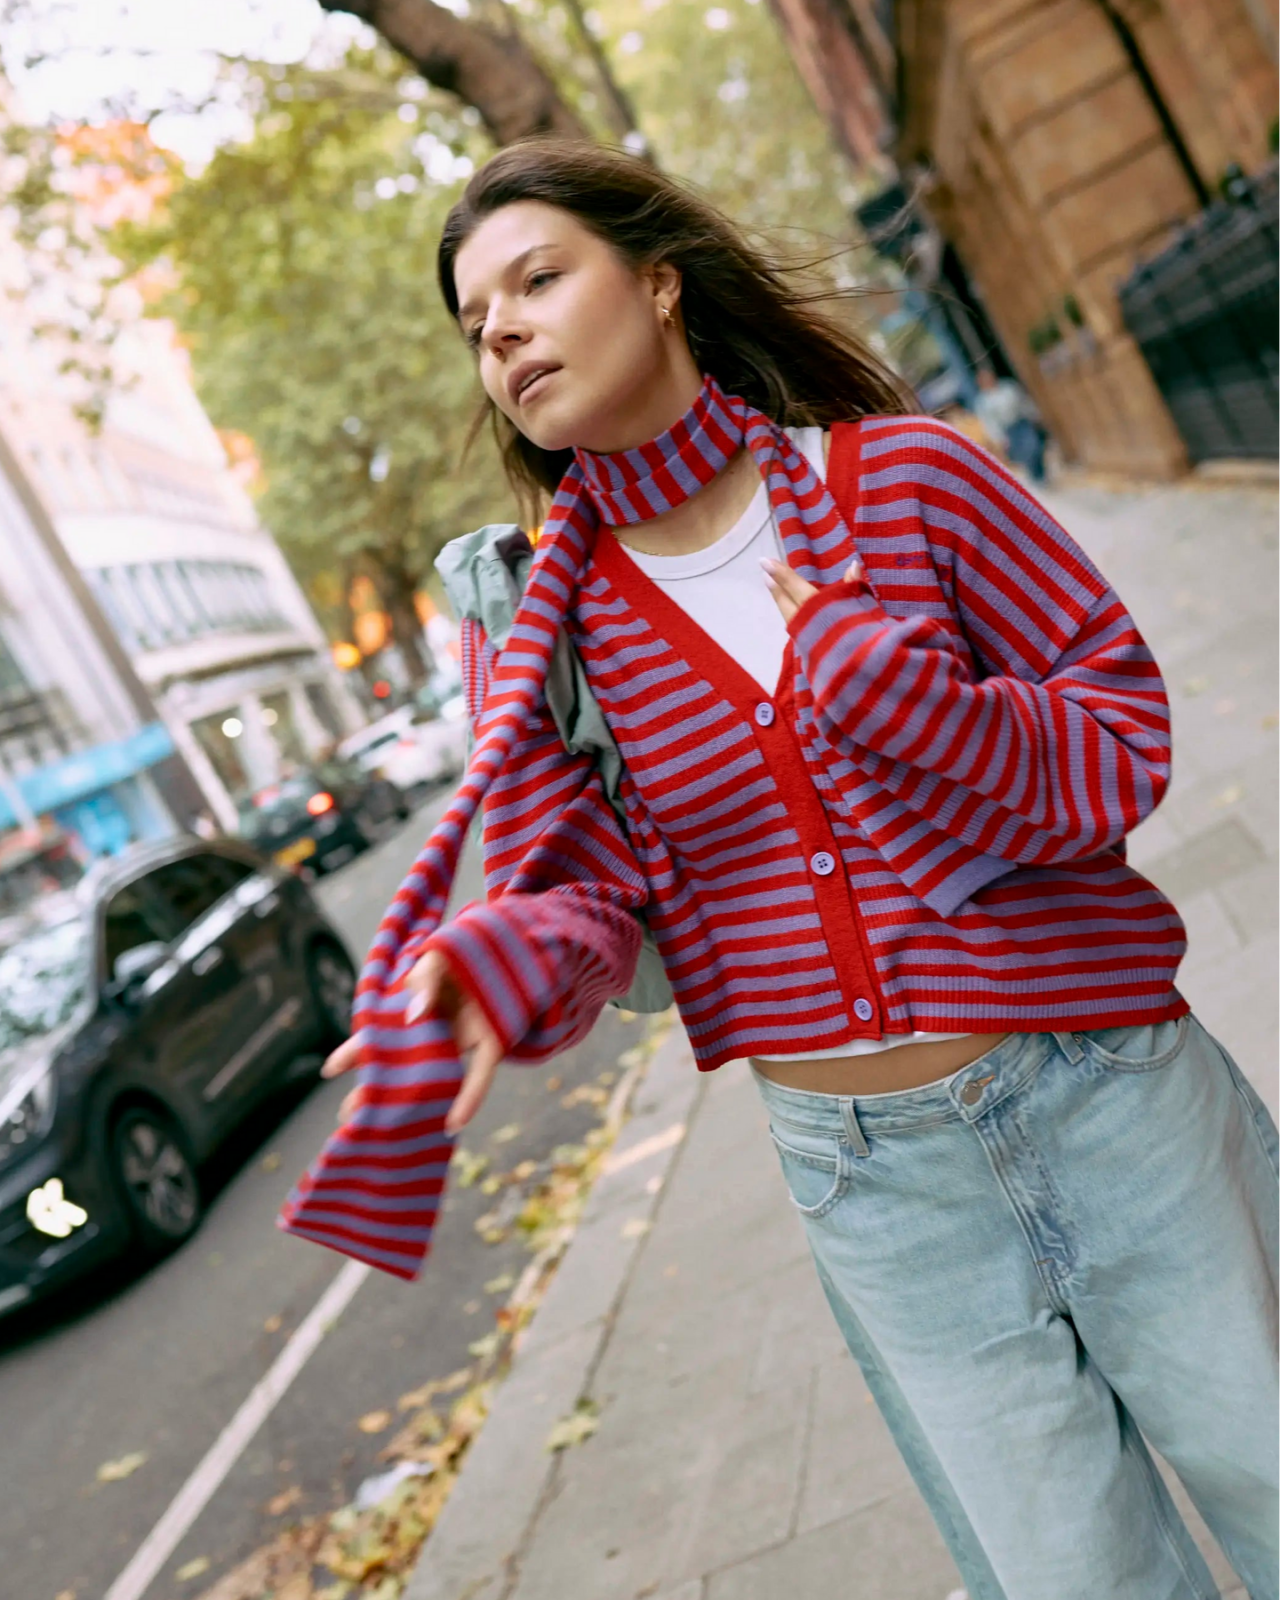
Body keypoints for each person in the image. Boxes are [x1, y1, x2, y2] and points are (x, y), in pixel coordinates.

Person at [286, 143, 1280, 1598]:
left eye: (536, 278)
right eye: (472, 322)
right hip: (872, 1189)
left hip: (1113, 1091)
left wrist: (898, 697)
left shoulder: (908, 485)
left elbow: (1117, 744)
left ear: (661, 281)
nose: (497, 331)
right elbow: (580, 896)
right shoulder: (547, 631)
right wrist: (498, 967)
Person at [972, 363, 1049, 483]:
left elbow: (1023, 402)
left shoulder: (1008, 387)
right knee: (1024, 453)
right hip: (1008, 430)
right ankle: (1037, 477)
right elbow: (989, 422)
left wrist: (1034, 415)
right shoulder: (983, 401)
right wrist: (999, 438)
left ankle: (1040, 474)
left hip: (1022, 422)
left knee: (1034, 446)